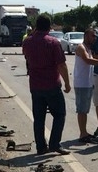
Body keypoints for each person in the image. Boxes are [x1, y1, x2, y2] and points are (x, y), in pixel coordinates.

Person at [22, 13, 71, 154]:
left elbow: (27, 56)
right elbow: (61, 65)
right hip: (52, 84)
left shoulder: (28, 41)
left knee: (39, 118)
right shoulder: (53, 42)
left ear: (36, 26)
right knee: (59, 114)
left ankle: (41, 147)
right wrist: (67, 83)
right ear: (49, 27)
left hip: (35, 85)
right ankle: (55, 143)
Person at [73, 27, 98, 142]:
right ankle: (82, 134)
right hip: (81, 83)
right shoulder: (81, 48)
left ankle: (84, 132)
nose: (94, 38)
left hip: (88, 83)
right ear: (86, 36)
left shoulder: (89, 49)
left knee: (85, 109)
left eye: (95, 36)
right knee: (81, 110)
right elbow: (88, 61)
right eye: (92, 36)